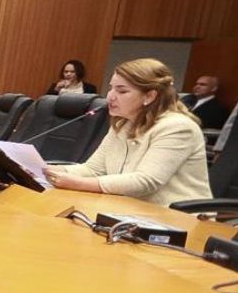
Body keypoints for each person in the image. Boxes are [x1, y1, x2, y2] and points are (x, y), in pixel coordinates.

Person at [42, 58, 212, 206]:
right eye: (111, 88)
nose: (110, 97)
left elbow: (145, 182)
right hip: (127, 211)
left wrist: (79, 184)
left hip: (175, 220)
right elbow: (93, 170)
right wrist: (44, 169)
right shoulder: (123, 124)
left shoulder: (178, 127)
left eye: (122, 91)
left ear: (149, 96)